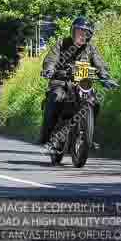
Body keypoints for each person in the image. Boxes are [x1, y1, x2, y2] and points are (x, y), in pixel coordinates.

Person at [38, 16, 112, 147]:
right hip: (61, 82)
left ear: (89, 35)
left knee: (94, 102)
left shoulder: (91, 49)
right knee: (55, 98)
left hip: (82, 84)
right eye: (78, 32)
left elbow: (100, 64)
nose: (81, 35)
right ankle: (46, 135)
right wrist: (49, 69)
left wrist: (105, 76)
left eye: (85, 33)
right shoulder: (62, 44)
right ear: (73, 32)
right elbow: (51, 59)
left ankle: (88, 135)